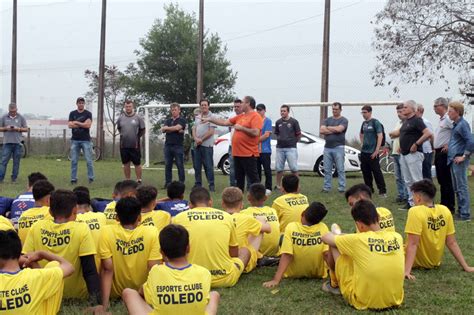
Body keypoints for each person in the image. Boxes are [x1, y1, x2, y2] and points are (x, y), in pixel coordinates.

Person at [322, 200, 404, 310]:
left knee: (335, 244)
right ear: (378, 218)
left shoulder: (358, 240)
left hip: (363, 301)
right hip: (394, 299)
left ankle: (335, 284)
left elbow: (326, 238)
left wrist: (336, 235)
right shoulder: (397, 237)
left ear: (359, 225)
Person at [22, 189, 101, 304]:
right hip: (75, 297)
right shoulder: (81, 229)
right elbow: (89, 270)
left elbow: (25, 261)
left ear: (50, 211)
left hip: (45, 295)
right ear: (75, 210)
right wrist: (97, 303)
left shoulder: (36, 227)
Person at [122, 224, 220, 315]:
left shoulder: (156, 271)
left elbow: (141, 293)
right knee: (214, 294)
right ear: (188, 248)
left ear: (162, 252)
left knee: (128, 293)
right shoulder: (203, 272)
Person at [172, 187, 250, 287]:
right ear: (210, 202)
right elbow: (233, 253)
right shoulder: (227, 217)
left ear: (190, 205)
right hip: (224, 278)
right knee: (245, 251)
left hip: (191, 278)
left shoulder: (178, 218)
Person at [98, 197, 161, 308]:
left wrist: (105, 305)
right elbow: (153, 267)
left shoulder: (106, 231)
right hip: (142, 293)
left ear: (117, 217)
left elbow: (107, 269)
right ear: (139, 217)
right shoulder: (152, 232)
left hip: (115, 293)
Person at [404, 180, 474, 280]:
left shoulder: (415, 211)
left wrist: (406, 271)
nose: (413, 199)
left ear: (418, 197)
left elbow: (412, 244)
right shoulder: (445, 210)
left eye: (413, 196)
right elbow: (452, 242)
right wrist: (466, 267)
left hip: (418, 262)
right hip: (434, 262)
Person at [0, 230, 74, 314]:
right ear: (18, 252)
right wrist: (42, 254)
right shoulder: (36, 277)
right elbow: (69, 267)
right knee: (54, 266)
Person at [263, 202, 329, 288]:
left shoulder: (291, 227)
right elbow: (326, 254)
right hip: (318, 274)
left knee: (283, 238)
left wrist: (276, 280)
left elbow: (287, 254)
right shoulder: (323, 227)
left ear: (302, 213)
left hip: (292, 273)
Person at [203, 96, 263, 192]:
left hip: (248, 153)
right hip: (237, 153)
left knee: (253, 179)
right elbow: (224, 122)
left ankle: (259, 197)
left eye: (243, 102)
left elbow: (256, 132)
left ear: (248, 104)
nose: (241, 104)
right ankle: (238, 199)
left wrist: (242, 128)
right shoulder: (241, 116)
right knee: (239, 180)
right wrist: (210, 119)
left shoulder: (256, 116)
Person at [221, 187, 271, 273]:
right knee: (259, 225)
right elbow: (268, 229)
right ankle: (258, 257)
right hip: (242, 260)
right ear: (241, 204)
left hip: (222, 259)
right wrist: (260, 219)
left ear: (223, 204)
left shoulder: (220, 218)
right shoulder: (246, 219)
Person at [396, 100, 432, 208]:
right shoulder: (405, 122)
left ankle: (422, 203)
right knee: (407, 180)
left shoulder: (417, 120)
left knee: (417, 180)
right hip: (404, 154)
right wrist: (401, 146)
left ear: (412, 108)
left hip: (414, 154)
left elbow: (428, 133)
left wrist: (416, 144)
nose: (403, 109)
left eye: (406, 107)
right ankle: (412, 202)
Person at [447, 101, 473, 222]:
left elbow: (471, 141)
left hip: (459, 160)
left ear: (457, 112)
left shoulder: (462, 125)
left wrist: (464, 155)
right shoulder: (456, 125)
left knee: (461, 187)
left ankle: (465, 214)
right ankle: (461, 211)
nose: (448, 113)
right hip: (453, 159)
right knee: (456, 187)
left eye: (450, 111)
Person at [242, 183, 280, 257]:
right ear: (265, 198)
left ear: (248, 197)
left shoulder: (244, 213)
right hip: (274, 251)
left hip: (255, 251)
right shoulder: (272, 211)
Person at [74, 188, 106, 271]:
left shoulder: (73, 220)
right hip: (103, 269)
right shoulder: (101, 217)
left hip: (83, 271)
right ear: (89, 206)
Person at [319, 102, 348, 193]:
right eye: (333, 109)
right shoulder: (327, 120)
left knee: (340, 169)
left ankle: (341, 188)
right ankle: (326, 187)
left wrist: (328, 128)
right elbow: (322, 130)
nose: (334, 111)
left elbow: (340, 129)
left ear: (340, 110)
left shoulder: (344, 120)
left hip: (339, 147)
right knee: (327, 169)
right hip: (327, 148)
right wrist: (334, 129)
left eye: (336, 109)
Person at [432, 97, 455, 213]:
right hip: (438, 152)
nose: (434, 108)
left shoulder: (448, 119)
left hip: (444, 152)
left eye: (436, 106)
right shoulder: (441, 120)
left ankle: (449, 206)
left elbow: (456, 131)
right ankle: (444, 203)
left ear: (443, 106)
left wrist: (450, 144)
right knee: (441, 179)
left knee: (446, 180)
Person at [359, 105, 386, 197]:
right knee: (365, 172)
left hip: (373, 152)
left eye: (365, 112)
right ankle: (369, 190)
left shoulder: (375, 122)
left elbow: (380, 135)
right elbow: (361, 133)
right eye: (362, 112)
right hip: (364, 152)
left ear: (370, 112)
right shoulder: (364, 123)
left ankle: (382, 191)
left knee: (376, 172)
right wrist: (362, 143)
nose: (363, 114)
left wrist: (377, 150)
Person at [117, 100, 145, 183]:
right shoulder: (120, 118)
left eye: (129, 106)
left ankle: (139, 180)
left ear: (132, 107)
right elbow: (119, 128)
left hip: (134, 145)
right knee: (125, 163)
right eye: (126, 107)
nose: (128, 108)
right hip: (123, 145)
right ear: (124, 107)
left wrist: (136, 137)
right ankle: (127, 181)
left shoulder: (138, 118)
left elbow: (142, 130)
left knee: (137, 163)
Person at [192, 99, 217, 192]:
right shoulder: (197, 117)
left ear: (208, 106)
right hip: (197, 145)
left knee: (208, 166)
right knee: (197, 166)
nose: (203, 107)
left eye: (205, 105)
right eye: (202, 105)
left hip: (207, 146)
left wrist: (201, 139)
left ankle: (211, 185)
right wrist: (195, 138)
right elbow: (194, 128)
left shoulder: (212, 117)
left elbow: (211, 132)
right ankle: (198, 185)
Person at [68, 96, 94, 184]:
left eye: (82, 103)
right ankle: (73, 179)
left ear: (84, 104)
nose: (81, 104)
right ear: (77, 104)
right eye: (79, 103)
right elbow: (70, 125)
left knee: (89, 160)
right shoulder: (72, 113)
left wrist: (76, 122)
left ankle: (91, 178)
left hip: (86, 140)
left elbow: (88, 125)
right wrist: (83, 123)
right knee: (74, 161)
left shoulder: (88, 114)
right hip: (75, 140)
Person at [274, 105, 301, 189]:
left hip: (291, 148)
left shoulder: (294, 122)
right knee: (279, 168)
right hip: (280, 148)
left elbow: (298, 135)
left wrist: (293, 142)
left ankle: (296, 185)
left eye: (284, 111)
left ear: (288, 112)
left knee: (293, 168)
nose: (282, 112)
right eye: (281, 111)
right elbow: (277, 133)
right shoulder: (278, 122)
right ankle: (278, 185)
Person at [0, 102, 28, 183]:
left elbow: (26, 129)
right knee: (3, 162)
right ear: (9, 110)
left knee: (16, 162)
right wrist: (6, 128)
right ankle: (1, 178)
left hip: (18, 143)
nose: (12, 113)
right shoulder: (4, 117)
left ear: (16, 109)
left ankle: (14, 179)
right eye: (11, 111)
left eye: (14, 111)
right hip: (7, 143)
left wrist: (18, 129)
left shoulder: (21, 118)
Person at [161, 103, 187, 188]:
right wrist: (174, 129)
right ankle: (168, 183)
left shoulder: (182, 120)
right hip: (168, 145)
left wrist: (169, 128)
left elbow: (177, 128)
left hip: (178, 145)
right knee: (168, 165)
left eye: (175, 110)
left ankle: (181, 183)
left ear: (179, 110)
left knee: (180, 165)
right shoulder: (167, 120)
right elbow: (163, 129)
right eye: (172, 110)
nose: (174, 111)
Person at [388, 104, 408, 204]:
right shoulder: (398, 123)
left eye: (401, 112)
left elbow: (396, 133)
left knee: (404, 176)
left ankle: (406, 195)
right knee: (397, 176)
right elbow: (392, 135)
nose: (399, 114)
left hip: (402, 152)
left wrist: (395, 133)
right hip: (395, 152)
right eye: (397, 112)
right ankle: (400, 195)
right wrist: (394, 133)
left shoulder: (407, 123)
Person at [256, 103, 273, 194]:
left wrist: (256, 141)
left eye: (261, 110)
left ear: (264, 110)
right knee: (257, 170)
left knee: (267, 170)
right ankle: (258, 188)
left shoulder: (268, 121)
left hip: (265, 150)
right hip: (255, 150)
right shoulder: (255, 121)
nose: (259, 112)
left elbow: (266, 135)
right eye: (257, 110)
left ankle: (268, 187)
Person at [416, 104, 434, 179]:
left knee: (426, 173)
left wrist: (432, 148)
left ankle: (428, 189)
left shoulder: (425, 122)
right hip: (419, 150)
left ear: (419, 111)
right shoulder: (415, 122)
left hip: (426, 150)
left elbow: (431, 136)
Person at [228, 99, 242, 187]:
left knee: (245, 168)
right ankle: (233, 186)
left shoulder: (245, 116)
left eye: (238, 106)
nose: (236, 108)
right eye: (235, 106)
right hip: (232, 146)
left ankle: (248, 186)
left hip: (243, 146)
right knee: (232, 167)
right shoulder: (231, 116)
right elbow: (230, 129)